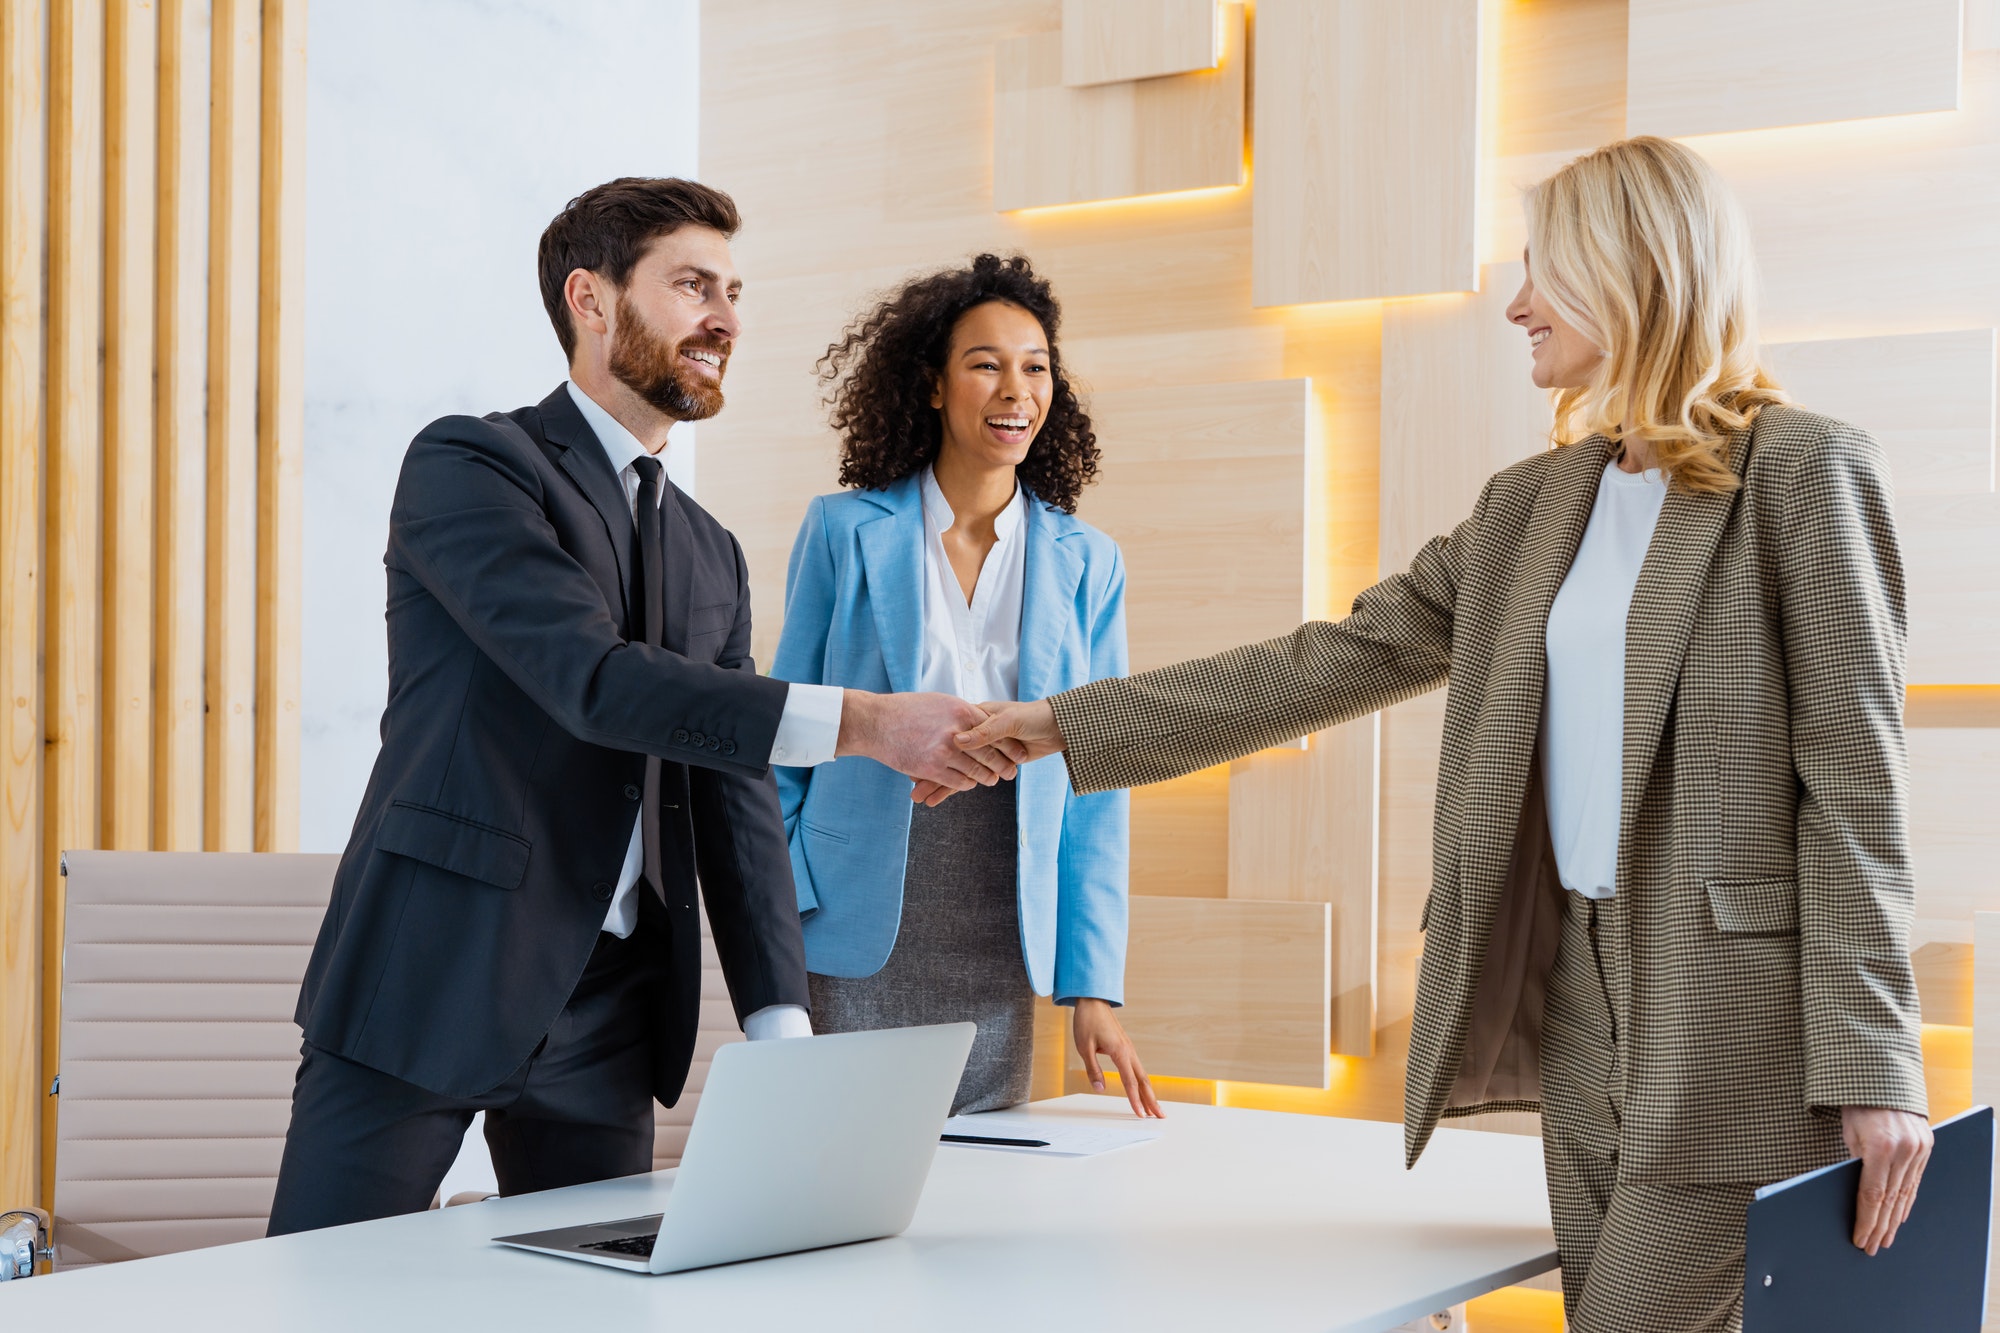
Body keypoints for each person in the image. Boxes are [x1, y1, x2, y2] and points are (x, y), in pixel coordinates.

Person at [955, 138, 1932, 1332]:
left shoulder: (1801, 471)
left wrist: (1874, 1067)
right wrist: (1061, 723)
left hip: (1734, 1025)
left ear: (1633, 272)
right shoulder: (1530, 505)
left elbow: (1854, 790)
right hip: (1574, 1004)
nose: (1516, 303)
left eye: (1542, 270)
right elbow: (1326, 662)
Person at [269, 178, 1016, 1235]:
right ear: (592, 298)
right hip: (431, 976)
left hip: (612, 1011)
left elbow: (731, 787)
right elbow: (594, 682)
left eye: (735, 291)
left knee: (594, 1310)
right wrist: (865, 722)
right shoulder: (473, 465)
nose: (726, 318)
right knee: (313, 1295)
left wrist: (780, 1027)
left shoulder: (709, 549)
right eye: (692, 286)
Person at [771, 255, 1161, 1118]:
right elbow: (786, 727)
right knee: (838, 1166)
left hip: (1001, 911)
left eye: (1035, 366)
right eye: (985, 363)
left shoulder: (1088, 562)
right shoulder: (842, 530)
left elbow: (1099, 782)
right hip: (852, 911)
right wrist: (791, 890)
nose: (1014, 389)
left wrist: (1092, 984)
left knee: (980, 1184)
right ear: (935, 385)